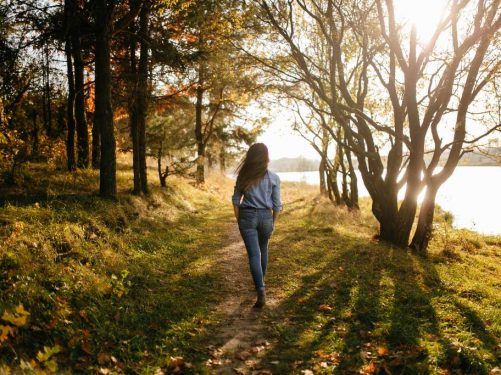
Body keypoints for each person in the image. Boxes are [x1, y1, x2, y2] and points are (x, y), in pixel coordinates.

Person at [232, 143, 282, 308]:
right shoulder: (274, 177)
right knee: (263, 250)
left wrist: (239, 219)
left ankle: (260, 289)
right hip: (266, 217)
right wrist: (273, 222)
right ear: (266, 157)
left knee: (254, 255)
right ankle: (261, 285)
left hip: (247, 216)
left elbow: (235, 200)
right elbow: (277, 205)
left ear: (250, 157)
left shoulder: (243, 176)